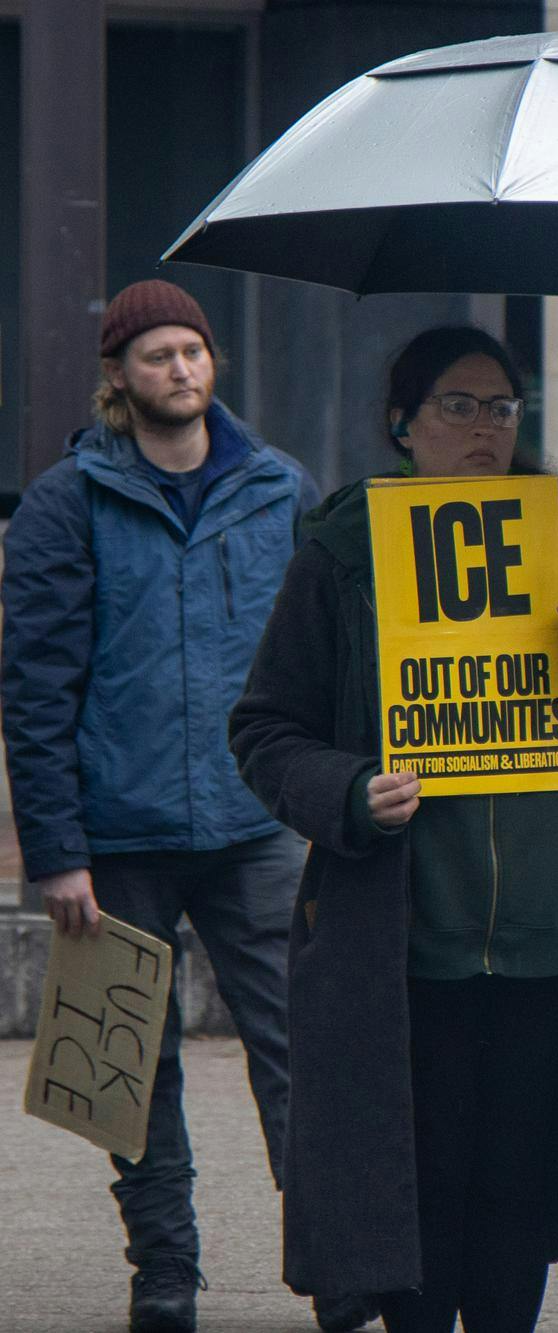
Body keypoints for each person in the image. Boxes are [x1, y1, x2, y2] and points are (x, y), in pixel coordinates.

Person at [228, 326, 558, 1332]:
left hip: (552, 946)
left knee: (514, 1201)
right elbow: (265, 730)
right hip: (404, 949)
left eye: (503, 407)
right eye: (458, 406)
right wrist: (349, 792)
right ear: (402, 422)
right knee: (417, 1198)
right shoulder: (343, 551)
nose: (485, 427)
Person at [0, 280, 357, 1333]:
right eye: (155, 355)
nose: (180, 371)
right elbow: (36, 685)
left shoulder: (280, 488)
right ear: (119, 376)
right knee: (131, 1064)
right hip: (118, 837)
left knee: (302, 1045)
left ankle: (338, 1258)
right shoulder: (68, 501)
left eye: (192, 351)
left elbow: (331, 656)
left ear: (214, 364)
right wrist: (56, 851)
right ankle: (164, 1270)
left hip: (257, 829)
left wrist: (328, 798)